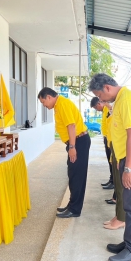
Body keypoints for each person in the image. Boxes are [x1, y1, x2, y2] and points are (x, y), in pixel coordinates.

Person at [89, 73, 131, 261]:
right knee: (127, 203)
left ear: (107, 88)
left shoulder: (126, 100)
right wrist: (120, 160)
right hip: (129, 157)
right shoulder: (120, 100)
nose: (100, 100)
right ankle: (128, 242)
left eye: (99, 95)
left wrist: (128, 167)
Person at [38, 87, 91, 218]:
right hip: (75, 142)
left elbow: (71, 126)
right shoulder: (59, 105)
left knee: (77, 176)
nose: (44, 105)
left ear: (49, 97)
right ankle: (71, 205)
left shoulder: (63, 104)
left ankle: (74, 209)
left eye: (43, 102)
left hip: (78, 142)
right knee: (73, 174)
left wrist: (72, 147)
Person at [90, 97, 114, 191]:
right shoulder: (104, 110)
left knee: (112, 160)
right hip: (107, 137)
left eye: (96, 108)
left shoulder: (109, 110)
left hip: (110, 138)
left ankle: (113, 181)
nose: (97, 110)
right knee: (109, 159)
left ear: (99, 104)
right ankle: (111, 179)